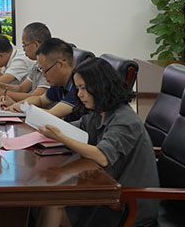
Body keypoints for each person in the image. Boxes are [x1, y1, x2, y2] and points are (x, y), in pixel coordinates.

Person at [36, 58, 158, 227]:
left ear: (100, 86)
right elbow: (75, 129)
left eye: (83, 88)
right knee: (45, 197)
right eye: (78, 88)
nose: (79, 94)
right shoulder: (99, 112)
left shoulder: (125, 120)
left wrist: (60, 137)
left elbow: (102, 156)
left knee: (53, 200)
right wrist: (40, 124)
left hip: (127, 202)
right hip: (103, 187)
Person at [6, 37, 81, 121]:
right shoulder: (60, 83)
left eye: (45, 70)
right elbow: (40, 100)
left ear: (60, 64)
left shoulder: (79, 85)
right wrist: (17, 105)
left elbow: (52, 114)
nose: (43, 75)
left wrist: (23, 108)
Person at [0, 22, 51, 107]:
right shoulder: (36, 64)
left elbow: (36, 97)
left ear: (36, 45)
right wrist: (0, 86)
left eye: (24, 45)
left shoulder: (49, 66)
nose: (23, 49)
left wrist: (2, 92)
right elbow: (22, 88)